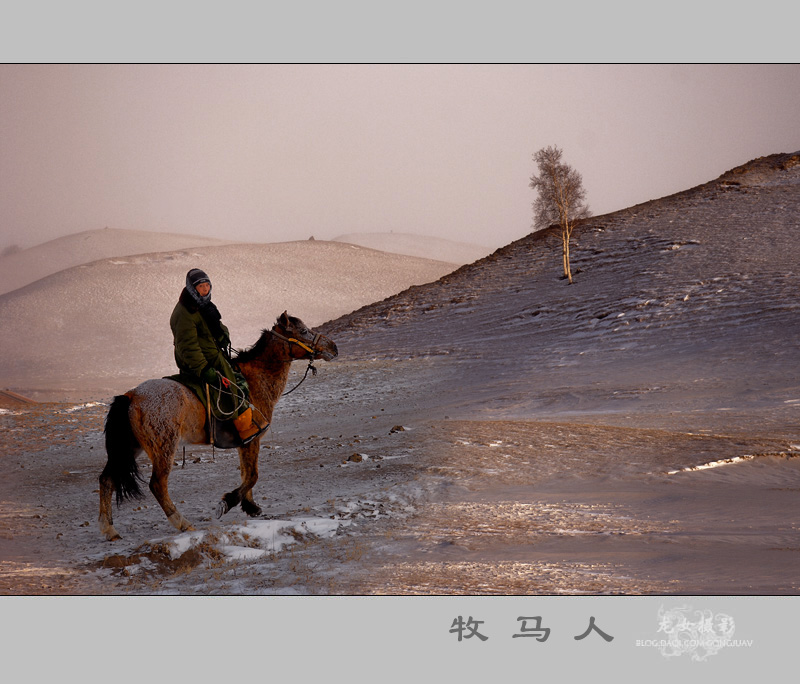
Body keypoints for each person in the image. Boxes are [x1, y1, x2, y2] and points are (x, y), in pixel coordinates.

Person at [170, 268, 264, 444]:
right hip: (200, 361)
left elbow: (215, 327)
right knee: (232, 385)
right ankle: (240, 429)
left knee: (239, 376)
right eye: (201, 287)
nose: (205, 290)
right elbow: (188, 347)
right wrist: (205, 369)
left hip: (213, 354)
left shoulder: (203, 305)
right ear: (192, 288)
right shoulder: (184, 313)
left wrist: (222, 334)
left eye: (207, 286)